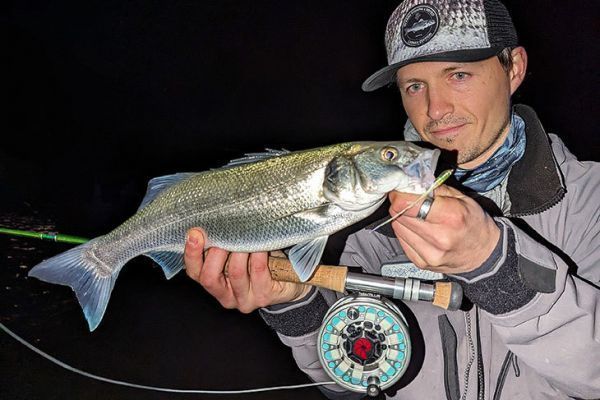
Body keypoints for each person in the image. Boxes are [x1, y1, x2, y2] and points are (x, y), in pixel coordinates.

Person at [183, 1, 600, 398]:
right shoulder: (365, 222)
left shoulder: (591, 201)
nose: (436, 109)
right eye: (415, 85)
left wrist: (497, 267)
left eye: (458, 75)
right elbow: (347, 381)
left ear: (514, 69)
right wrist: (294, 307)